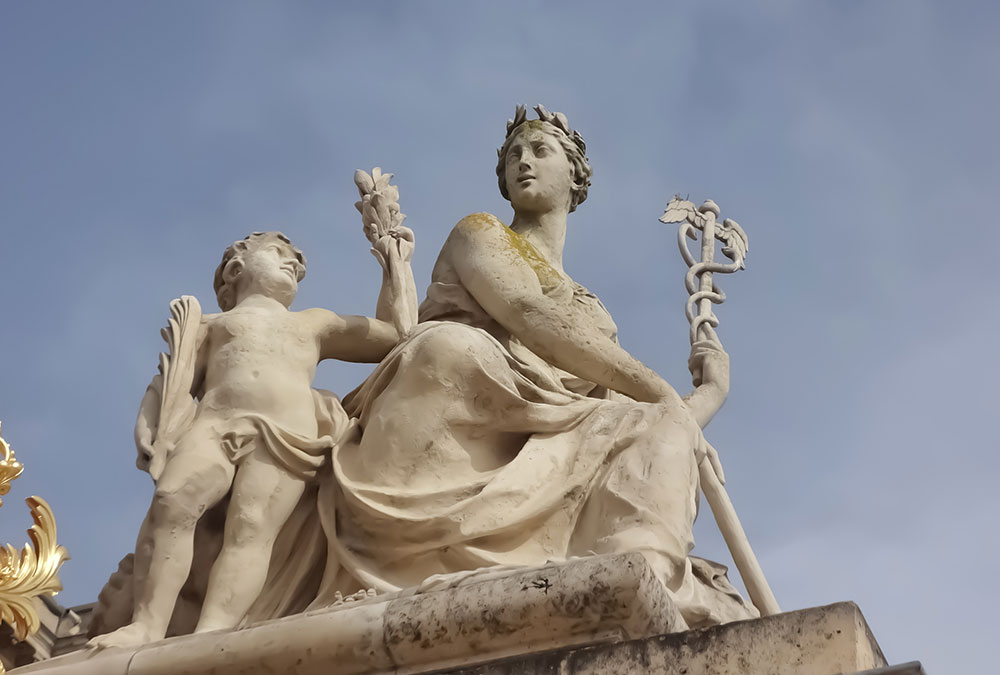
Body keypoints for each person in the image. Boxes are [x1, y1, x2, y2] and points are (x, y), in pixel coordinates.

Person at [318, 106, 756, 628]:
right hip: (456, 419)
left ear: (575, 175)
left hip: (547, 438)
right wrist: (662, 391)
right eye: (512, 156)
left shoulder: (595, 316)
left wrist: (708, 393)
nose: (522, 162)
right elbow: (530, 314)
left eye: (539, 150)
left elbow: (648, 433)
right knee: (455, 347)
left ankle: (644, 576)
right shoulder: (479, 233)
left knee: (660, 428)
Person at [91, 228, 416, 649]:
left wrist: (394, 262)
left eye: (297, 265)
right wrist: (148, 424)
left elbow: (395, 335)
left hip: (286, 434)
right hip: (214, 424)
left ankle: (214, 631)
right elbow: (171, 382)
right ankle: (146, 625)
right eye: (279, 253)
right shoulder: (210, 325)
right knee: (173, 501)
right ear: (236, 267)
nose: (293, 265)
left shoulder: (313, 323)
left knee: (251, 529)